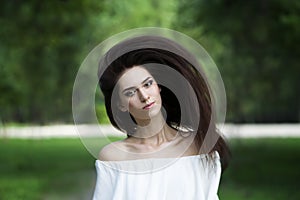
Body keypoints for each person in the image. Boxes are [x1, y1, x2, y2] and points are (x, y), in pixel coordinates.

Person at [93, 35, 230, 200]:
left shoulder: (199, 146)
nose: (144, 96)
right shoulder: (112, 157)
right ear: (120, 105)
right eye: (130, 92)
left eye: (148, 84)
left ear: (159, 87)